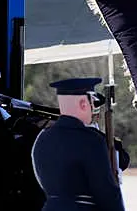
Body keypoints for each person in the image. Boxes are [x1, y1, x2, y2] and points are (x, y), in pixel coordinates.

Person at [31, 77, 126, 211]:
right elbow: (106, 192)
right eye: (92, 103)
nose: (93, 108)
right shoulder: (91, 140)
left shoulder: (43, 137)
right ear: (83, 103)